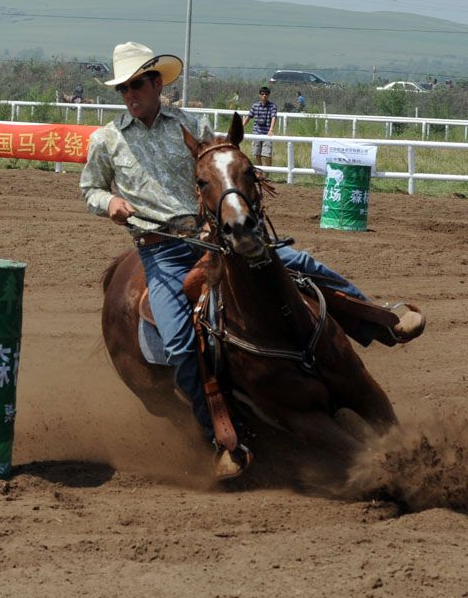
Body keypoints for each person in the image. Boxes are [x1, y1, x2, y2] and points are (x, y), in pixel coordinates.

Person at [80, 42, 425, 475]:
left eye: (137, 85)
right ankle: (221, 440)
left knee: (298, 265)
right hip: (161, 250)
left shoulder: (189, 124)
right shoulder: (107, 140)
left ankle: (381, 318)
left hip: (210, 232)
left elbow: (218, 167)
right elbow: (90, 187)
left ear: (156, 83)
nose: (130, 94)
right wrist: (109, 202)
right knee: (180, 345)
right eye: (123, 88)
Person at [242, 86, 278, 167]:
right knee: (256, 153)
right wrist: (241, 127)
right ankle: (260, 171)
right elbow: (249, 117)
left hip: (267, 133)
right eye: (262, 94)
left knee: (267, 154)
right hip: (257, 132)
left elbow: (274, 117)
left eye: (266, 94)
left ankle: (267, 173)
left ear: (268, 95)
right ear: (259, 95)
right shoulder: (255, 106)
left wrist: (271, 129)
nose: (264, 95)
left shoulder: (272, 106)